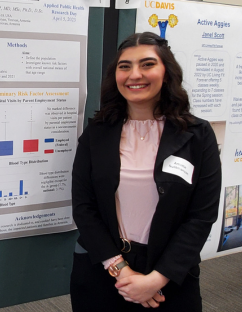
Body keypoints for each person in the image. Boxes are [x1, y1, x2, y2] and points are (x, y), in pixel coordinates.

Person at [70, 32, 221, 311]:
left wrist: (155, 280)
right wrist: (121, 271)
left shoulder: (197, 135)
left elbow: (201, 215)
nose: (134, 74)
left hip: (170, 274)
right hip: (103, 268)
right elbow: (83, 207)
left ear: (167, 72)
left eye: (147, 64)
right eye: (124, 66)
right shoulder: (97, 133)